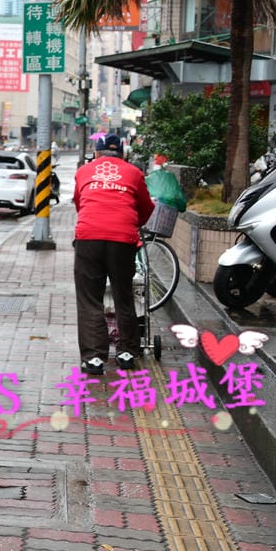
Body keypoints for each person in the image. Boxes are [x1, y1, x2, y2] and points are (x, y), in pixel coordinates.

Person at [72, 134, 155, 374]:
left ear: (96, 153)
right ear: (123, 154)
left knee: (90, 299)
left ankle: (94, 359)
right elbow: (146, 207)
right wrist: (131, 224)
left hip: (89, 236)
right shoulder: (134, 173)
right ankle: (127, 352)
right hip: (123, 240)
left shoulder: (83, 171)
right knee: (123, 294)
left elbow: (79, 203)